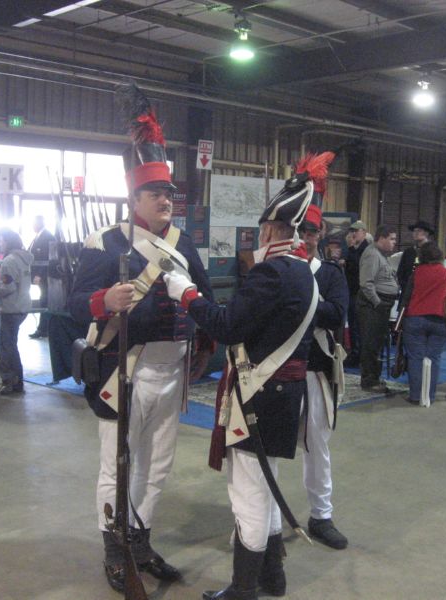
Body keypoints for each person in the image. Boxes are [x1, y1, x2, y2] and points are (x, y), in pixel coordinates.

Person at [67, 91, 213, 594]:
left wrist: (206, 345)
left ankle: (140, 539)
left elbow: (205, 299)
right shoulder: (105, 242)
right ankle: (115, 549)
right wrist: (105, 299)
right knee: (117, 465)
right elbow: (74, 303)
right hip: (124, 369)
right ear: (134, 199)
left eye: (169, 193)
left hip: (174, 370)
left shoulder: (184, 243)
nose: (165, 200)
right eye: (155, 194)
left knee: (157, 464)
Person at [163, 152, 324, 600]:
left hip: (261, 396)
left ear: (270, 230)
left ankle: (244, 589)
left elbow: (226, 326)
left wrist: (185, 293)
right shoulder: (301, 272)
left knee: (249, 493)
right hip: (281, 395)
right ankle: (272, 576)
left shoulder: (271, 272)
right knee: (265, 485)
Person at [297, 204, 349, 551]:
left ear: (320, 235)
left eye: (311, 232)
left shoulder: (329, 274)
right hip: (276, 370)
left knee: (317, 446)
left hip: (314, 370)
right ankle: (264, 520)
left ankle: (321, 516)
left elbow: (336, 313)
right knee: (264, 448)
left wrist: (300, 298)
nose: (306, 238)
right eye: (301, 232)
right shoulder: (274, 270)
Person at [400, 241, 446, 405]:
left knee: (416, 358)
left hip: (415, 319)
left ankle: (416, 396)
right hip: (439, 320)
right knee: (433, 358)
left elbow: (406, 297)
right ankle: (429, 395)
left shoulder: (417, 273)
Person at [0, 229, 33, 395]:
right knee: (10, 344)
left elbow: (8, 287)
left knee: (3, 345)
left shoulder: (8, 261)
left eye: (1, 241)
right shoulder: (24, 259)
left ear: (7, 242)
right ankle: (17, 381)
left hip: (11, 308)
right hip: (23, 306)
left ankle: (9, 381)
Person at [357, 224, 399, 393]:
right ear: (381, 238)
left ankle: (374, 377)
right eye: (391, 239)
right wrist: (378, 303)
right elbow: (366, 283)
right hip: (372, 306)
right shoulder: (372, 254)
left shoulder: (381, 255)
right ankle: (369, 380)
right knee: (371, 343)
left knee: (376, 343)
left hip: (379, 306)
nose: (394, 242)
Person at [343, 220, 368, 367]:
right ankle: (355, 353)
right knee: (353, 325)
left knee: (358, 326)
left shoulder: (366, 250)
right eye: (352, 231)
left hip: (360, 292)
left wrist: (350, 250)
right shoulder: (355, 249)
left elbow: (357, 267)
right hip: (352, 291)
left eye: (356, 231)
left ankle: (358, 355)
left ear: (364, 232)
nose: (353, 234)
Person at [28, 215, 55, 339]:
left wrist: (40, 274)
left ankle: (44, 328)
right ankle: (43, 328)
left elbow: (48, 258)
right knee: (43, 299)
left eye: (34, 223)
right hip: (37, 273)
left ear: (40, 223)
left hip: (46, 275)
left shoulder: (47, 236)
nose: (33, 226)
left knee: (46, 300)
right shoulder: (38, 236)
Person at [396, 219, 434, 289]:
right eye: (414, 231)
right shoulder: (408, 252)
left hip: (426, 288)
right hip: (408, 289)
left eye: (419, 231)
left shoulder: (433, 251)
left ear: (426, 233)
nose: (415, 233)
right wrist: (406, 286)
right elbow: (400, 272)